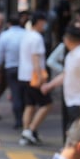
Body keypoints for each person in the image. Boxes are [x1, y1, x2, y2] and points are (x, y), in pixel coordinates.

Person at [18, 11, 52, 146]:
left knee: (30, 105)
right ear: (39, 22)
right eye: (44, 22)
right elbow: (36, 59)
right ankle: (30, 131)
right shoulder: (37, 38)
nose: (45, 25)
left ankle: (26, 131)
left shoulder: (26, 35)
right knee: (46, 104)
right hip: (34, 76)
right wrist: (41, 77)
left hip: (24, 75)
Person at [0, 15, 25, 130]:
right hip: (23, 68)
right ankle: (22, 118)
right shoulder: (25, 34)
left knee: (15, 93)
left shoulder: (4, 35)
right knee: (22, 94)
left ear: (9, 24)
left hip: (10, 68)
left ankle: (19, 120)